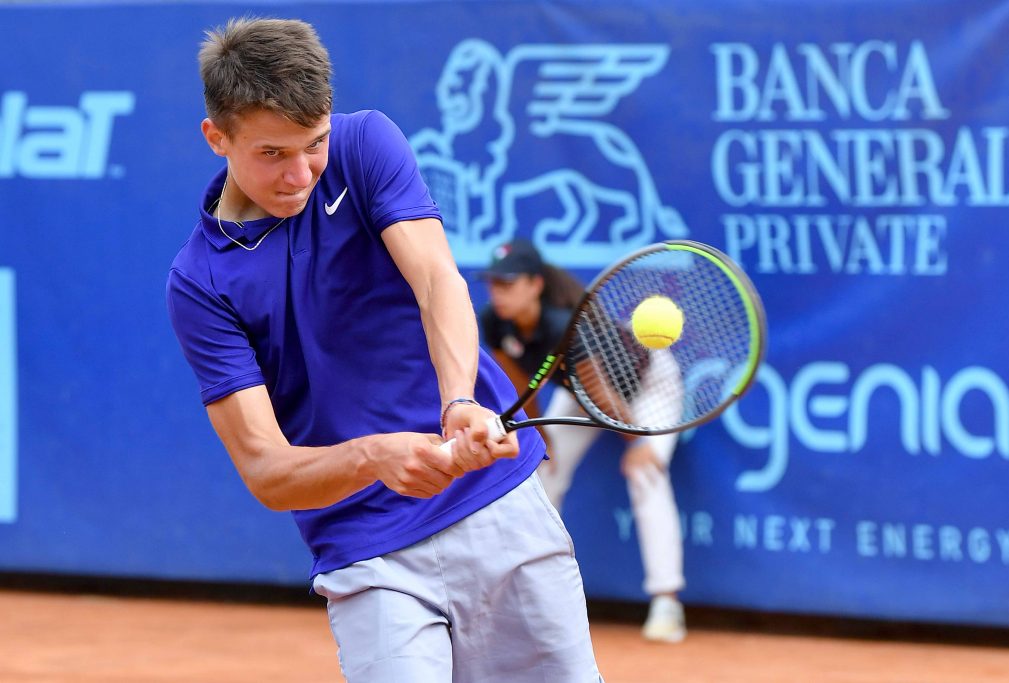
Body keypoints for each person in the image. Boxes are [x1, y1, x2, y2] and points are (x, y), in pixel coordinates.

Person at [166, 18, 603, 682]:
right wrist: (374, 456)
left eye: (313, 145)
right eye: (272, 154)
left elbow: (435, 278)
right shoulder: (199, 283)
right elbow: (265, 469)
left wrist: (458, 397)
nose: (299, 173)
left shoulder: (366, 143)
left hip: (497, 506)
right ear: (216, 137)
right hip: (368, 553)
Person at [478, 240, 688, 643]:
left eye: (508, 283)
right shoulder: (496, 322)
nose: (497, 293)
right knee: (540, 475)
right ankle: (525, 601)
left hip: (648, 385)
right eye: (493, 283)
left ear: (535, 284)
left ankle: (667, 603)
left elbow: (605, 403)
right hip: (583, 394)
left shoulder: (565, 329)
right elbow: (523, 388)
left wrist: (640, 443)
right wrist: (538, 439)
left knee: (645, 475)